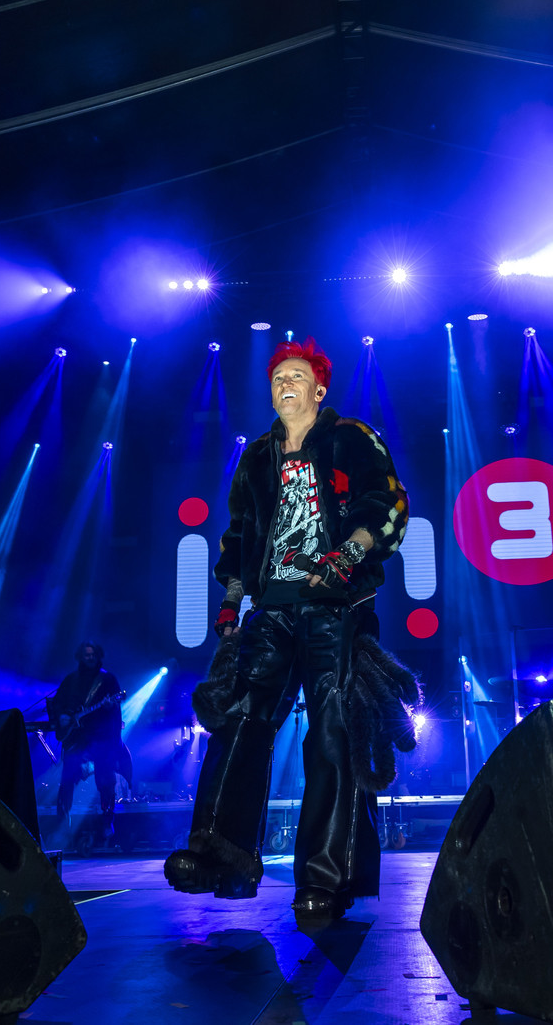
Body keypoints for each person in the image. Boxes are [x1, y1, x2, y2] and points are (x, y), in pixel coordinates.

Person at [165, 336, 410, 926]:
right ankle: (220, 854)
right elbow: (238, 536)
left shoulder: (350, 437)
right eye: (277, 377)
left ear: (319, 389)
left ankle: (325, 878)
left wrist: (347, 555)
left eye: (296, 375)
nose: (284, 384)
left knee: (332, 732)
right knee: (241, 718)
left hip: (335, 605)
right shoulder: (256, 458)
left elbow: (387, 502)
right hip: (271, 607)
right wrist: (231, 600)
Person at [47, 642, 132, 842]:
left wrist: (110, 706)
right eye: (87, 655)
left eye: (93, 654)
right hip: (77, 737)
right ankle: (62, 822)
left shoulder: (108, 679)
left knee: (106, 779)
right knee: (67, 779)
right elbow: (57, 703)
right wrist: (62, 716)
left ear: (98, 656)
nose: (90, 658)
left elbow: (116, 709)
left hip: (101, 737)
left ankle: (107, 820)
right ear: (80, 657)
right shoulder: (71, 680)